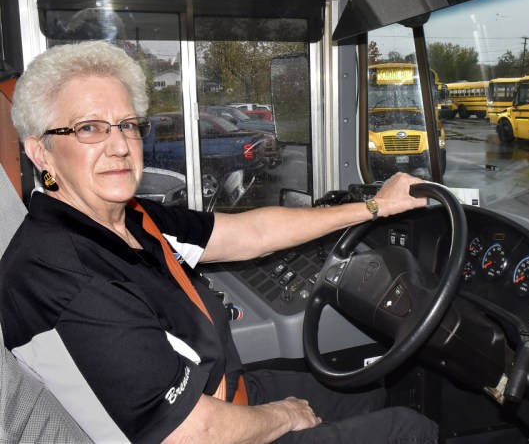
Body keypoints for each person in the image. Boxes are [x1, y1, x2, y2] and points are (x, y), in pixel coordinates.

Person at [0, 41, 438, 443]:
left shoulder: (130, 218)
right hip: (201, 428)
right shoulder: (58, 270)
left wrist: (374, 208)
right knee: (409, 429)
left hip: (226, 392)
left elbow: (252, 233)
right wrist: (282, 417)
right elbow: (190, 430)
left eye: (127, 125)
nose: (119, 146)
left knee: (369, 393)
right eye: (89, 128)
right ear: (40, 152)